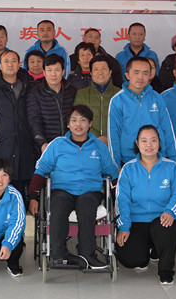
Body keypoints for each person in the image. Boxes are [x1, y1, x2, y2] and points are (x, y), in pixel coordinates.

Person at [28, 105, 119, 269]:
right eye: (74, 120)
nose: (79, 124)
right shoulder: (57, 144)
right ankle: (59, 254)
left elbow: (112, 173)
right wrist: (33, 197)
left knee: (86, 205)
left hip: (90, 191)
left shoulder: (99, 146)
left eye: (83, 120)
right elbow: (41, 170)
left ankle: (87, 254)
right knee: (58, 204)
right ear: (68, 124)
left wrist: (116, 202)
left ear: (90, 124)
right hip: (62, 189)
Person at [116, 125, 176, 285]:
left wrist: (171, 212)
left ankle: (165, 270)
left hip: (161, 219)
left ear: (159, 143)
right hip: (136, 222)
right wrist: (124, 226)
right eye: (144, 140)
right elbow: (122, 200)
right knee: (129, 259)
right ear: (137, 143)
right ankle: (145, 252)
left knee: (168, 227)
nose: (149, 145)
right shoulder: (128, 169)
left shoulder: (171, 167)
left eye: (153, 140)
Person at [0, 50, 35, 195]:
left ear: (19, 65)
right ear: (0, 66)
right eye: (6, 61)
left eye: (14, 61)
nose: (10, 64)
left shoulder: (29, 87)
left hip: (24, 147)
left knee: (21, 191)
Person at [108, 57, 176, 166]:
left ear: (150, 75)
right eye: (136, 72)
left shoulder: (157, 98)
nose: (140, 77)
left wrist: (173, 158)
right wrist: (116, 164)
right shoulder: (117, 101)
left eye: (145, 73)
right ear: (127, 75)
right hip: (129, 160)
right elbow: (113, 134)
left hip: (158, 157)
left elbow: (168, 129)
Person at [27, 54, 78, 154]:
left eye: (57, 70)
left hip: (70, 144)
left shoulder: (72, 90)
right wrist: (42, 142)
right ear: (44, 72)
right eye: (49, 70)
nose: (53, 74)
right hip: (46, 147)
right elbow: (34, 121)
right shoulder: (35, 93)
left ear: (63, 72)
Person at [73, 55, 120, 145]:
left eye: (103, 69)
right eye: (96, 69)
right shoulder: (81, 94)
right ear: (91, 73)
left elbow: (124, 121)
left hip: (115, 143)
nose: (100, 72)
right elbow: (77, 121)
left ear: (110, 72)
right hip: (89, 143)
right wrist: (96, 139)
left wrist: (108, 139)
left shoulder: (119, 94)